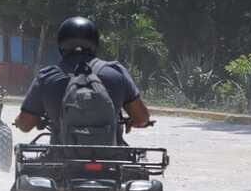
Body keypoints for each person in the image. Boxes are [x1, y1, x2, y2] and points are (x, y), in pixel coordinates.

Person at [14, 16, 151, 143]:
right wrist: (133, 121)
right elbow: (142, 118)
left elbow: (25, 125)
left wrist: (21, 121)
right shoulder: (116, 72)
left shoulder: (47, 76)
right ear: (95, 42)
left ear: (61, 43)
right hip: (110, 158)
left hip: (62, 158)